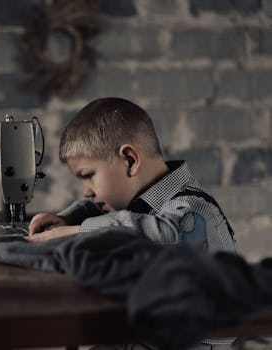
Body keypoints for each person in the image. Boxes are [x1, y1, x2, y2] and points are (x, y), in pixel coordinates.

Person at [26, 97, 236, 349]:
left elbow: (158, 231)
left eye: (89, 176)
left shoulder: (192, 209)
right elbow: (106, 208)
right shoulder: (146, 197)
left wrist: (78, 231)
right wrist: (67, 217)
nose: (86, 192)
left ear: (130, 160)